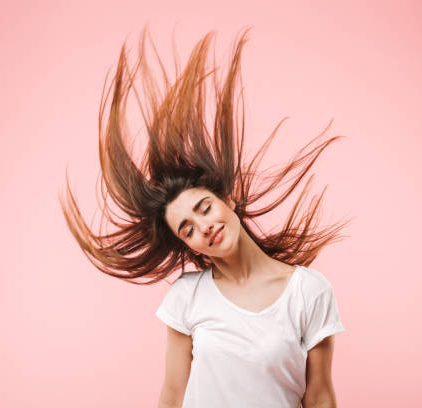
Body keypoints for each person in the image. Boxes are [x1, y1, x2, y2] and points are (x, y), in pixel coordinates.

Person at [59, 24, 352, 408]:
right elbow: (172, 394)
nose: (204, 227)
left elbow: (320, 397)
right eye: (188, 229)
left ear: (228, 199)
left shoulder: (309, 292)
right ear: (186, 244)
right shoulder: (188, 296)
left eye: (204, 208)